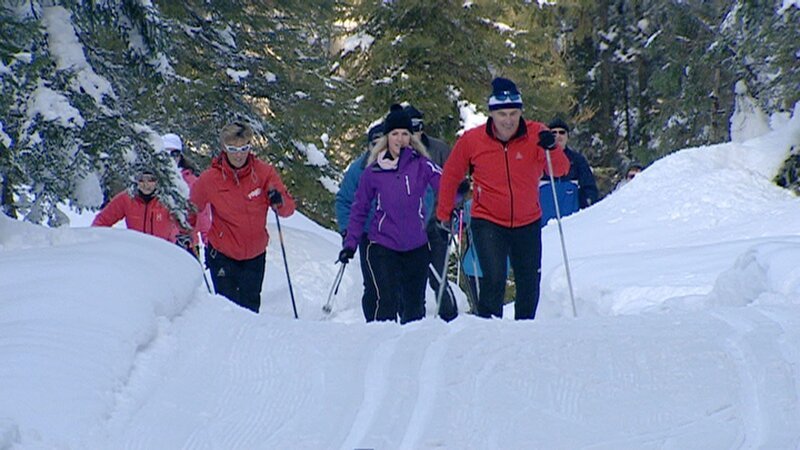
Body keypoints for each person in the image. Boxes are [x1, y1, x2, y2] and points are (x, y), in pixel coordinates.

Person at [436, 77, 570, 320]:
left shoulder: (536, 133)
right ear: (492, 114)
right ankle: (490, 331)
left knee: (529, 281)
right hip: (488, 219)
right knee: (494, 278)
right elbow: (451, 175)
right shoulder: (473, 140)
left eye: (513, 113)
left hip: (527, 220)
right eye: (502, 114)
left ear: (520, 112)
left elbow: (559, 170)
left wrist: (552, 148)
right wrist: (443, 213)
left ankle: (524, 331)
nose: (508, 120)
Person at [338, 105, 442, 324]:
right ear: (387, 138)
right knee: (385, 301)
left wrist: (458, 189)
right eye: (395, 134)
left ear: (411, 138)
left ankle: (412, 352)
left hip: (415, 245)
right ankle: (380, 349)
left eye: (405, 134)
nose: (400, 139)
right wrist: (350, 243)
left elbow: (442, 183)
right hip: (382, 244)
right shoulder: (372, 171)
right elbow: (358, 209)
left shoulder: (422, 165)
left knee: (414, 307)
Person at [189, 121, 296, 313]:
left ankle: (249, 343)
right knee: (228, 310)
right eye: (233, 149)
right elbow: (191, 209)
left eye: (244, 148)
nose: (239, 154)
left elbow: (287, 210)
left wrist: (279, 201)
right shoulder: (210, 179)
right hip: (222, 254)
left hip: (255, 255)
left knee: (250, 308)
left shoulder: (264, 173)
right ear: (224, 148)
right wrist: (186, 234)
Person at [404, 104, 458, 321]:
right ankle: (412, 319)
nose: (414, 133)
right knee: (411, 276)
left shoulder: (439, 149)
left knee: (437, 274)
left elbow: (455, 180)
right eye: (409, 128)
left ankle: (449, 316)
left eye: (417, 127)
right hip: (407, 227)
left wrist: (454, 206)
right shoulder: (395, 152)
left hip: (436, 223)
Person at [334, 122, 384, 321]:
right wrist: (347, 231)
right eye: (375, 144)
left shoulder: (403, 165)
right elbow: (344, 201)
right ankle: (372, 325)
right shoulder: (358, 169)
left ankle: (398, 328)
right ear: (368, 146)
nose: (379, 148)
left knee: (395, 283)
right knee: (371, 284)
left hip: (397, 233)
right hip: (368, 234)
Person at [92, 166, 182, 245]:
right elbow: (102, 220)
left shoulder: (168, 200)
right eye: (141, 180)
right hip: (137, 252)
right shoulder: (127, 199)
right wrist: (96, 240)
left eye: (150, 180)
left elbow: (187, 224)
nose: (146, 184)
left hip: (164, 252)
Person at [539, 118, 599, 224]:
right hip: (544, 219)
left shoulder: (577, 160)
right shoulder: (539, 159)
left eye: (562, 132)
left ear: (567, 136)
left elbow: (589, 186)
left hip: (571, 218)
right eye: (554, 133)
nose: (558, 136)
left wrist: (587, 203)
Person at [162, 133, 211, 252]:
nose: (171, 158)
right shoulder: (151, 181)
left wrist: (208, 242)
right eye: (165, 154)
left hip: (187, 243)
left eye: (174, 154)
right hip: (159, 244)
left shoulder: (192, 182)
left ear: (180, 155)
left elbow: (203, 213)